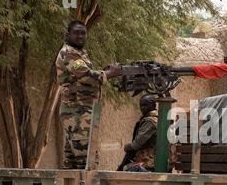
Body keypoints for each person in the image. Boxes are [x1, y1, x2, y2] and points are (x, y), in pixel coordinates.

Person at [56, 20, 121, 169]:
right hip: (77, 113)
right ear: (68, 35)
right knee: (86, 161)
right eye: (76, 33)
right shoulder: (69, 53)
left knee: (73, 163)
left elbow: (82, 76)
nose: (80, 36)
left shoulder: (79, 54)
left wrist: (102, 71)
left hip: (79, 112)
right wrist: (110, 74)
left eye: (83, 33)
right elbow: (85, 76)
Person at [122, 94, 158, 172]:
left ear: (153, 105)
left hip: (151, 162)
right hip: (155, 160)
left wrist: (127, 147)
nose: (142, 108)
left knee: (126, 168)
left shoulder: (150, 121)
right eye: (141, 105)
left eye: (145, 105)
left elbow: (136, 144)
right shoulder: (158, 118)